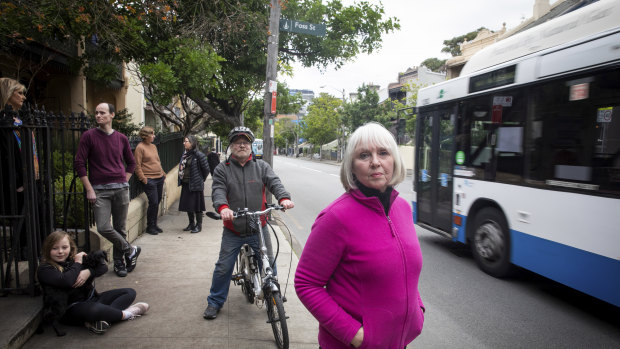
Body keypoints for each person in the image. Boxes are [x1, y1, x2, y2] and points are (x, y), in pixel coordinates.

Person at [295, 122, 425, 349]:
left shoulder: (402, 208)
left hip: (399, 343)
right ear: (352, 166)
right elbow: (306, 283)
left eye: (383, 153)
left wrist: (417, 311)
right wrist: (356, 335)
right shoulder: (335, 217)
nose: (375, 162)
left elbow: (406, 270)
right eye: (364, 155)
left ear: (394, 160)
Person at [203, 126, 294, 320]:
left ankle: (273, 295)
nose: (241, 145)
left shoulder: (261, 167)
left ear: (251, 145)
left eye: (245, 142)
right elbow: (218, 189)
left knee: (269, 263)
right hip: (233, 229)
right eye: (237, 142)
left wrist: (283, 198)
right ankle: (215, 302)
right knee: (223, 267)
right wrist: (223, 208)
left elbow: (274, 182)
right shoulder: (222, 169)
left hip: (258, 226)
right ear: (231, 146)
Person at [74, 103, 141, 278]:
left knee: (119, 227)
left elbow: (131, 162)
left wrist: (124, 181)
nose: (98, 116)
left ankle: (119, 263)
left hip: (120, 189)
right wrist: (89, 189)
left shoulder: (121, 138)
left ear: (112, 115)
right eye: (96, 113)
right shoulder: (89, 136)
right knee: (103, 227)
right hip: (99, 190)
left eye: (102, 113)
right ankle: (130, 249)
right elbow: (79, 163)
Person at [37, 231, 149, 335]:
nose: (60, 251)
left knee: (129, 292)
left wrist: (89, 272)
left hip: (92, 298)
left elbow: (103, 267)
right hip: (71, 309)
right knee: (95, 309)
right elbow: (67, 280)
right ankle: (127, 314)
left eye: (64, 247)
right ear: (47, 250)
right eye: (55, 248)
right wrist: (78, 263)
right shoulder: (45, 269)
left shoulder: (72, 259)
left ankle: (102, 320)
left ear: (71, 247)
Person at [0, 77, 39, 260]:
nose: (23, 97)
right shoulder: (4, 122)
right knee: (21, 222)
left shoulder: (19, 119)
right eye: (20, 93)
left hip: (30, 177)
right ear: (8, 94)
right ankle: (23, 257)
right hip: (16, 183)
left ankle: (33, 253)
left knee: (34, 220)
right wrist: (17, 181)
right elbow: (6, 156)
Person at [134, 126, 166, 235]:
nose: (154, 136)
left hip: (159, 177)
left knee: (157, 202)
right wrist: (143, 179)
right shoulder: (140, 147)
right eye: (152, 134)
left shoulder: (153, 146)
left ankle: (154, 224)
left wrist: (162, 172)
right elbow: (137, 165)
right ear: (146, 136)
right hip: (150, 179)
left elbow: (157, 161)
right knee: (153, 202)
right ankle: (150, 226)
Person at [177, 135, 209, 234]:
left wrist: (200, 179)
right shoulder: (185, 154)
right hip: (186, 184)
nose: (184, 143)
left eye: (186, 141)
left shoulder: (199, 155)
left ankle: (198, 225)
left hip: (195, 185)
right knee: (188, 205)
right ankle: (191, 223)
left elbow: (206, 170)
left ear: (192, 143)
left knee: (197, 206)